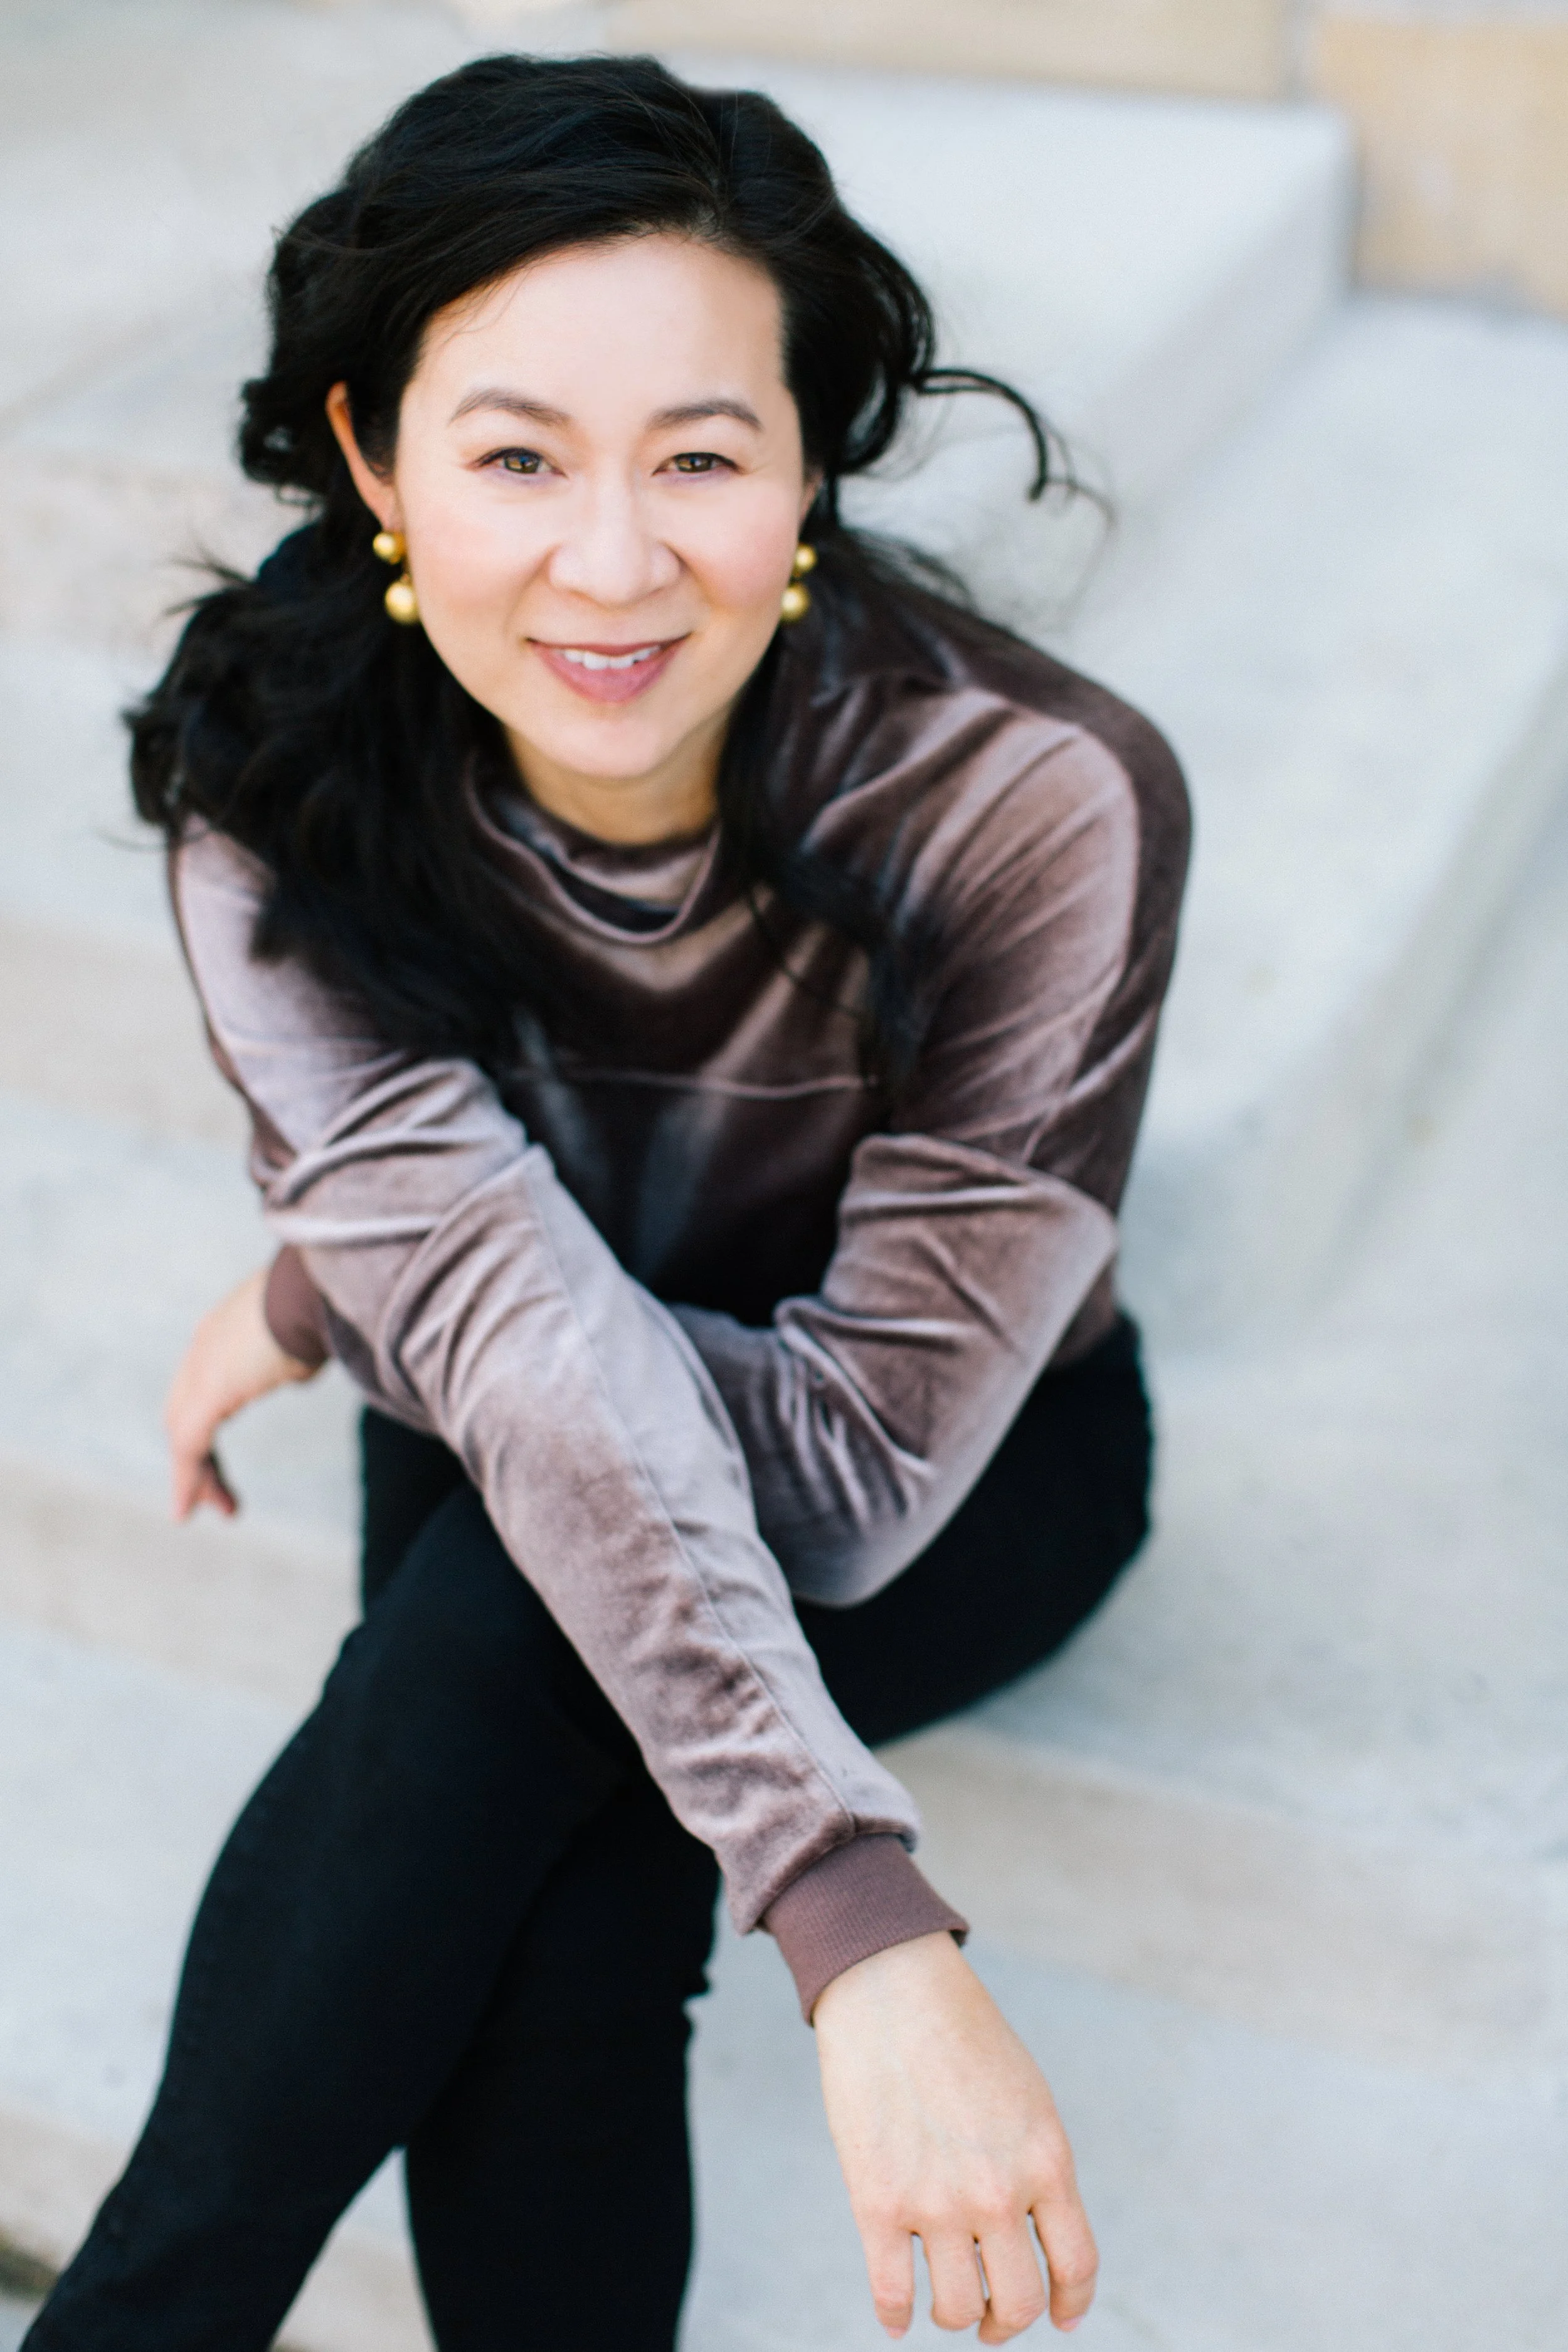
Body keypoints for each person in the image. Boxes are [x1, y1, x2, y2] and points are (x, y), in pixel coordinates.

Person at [25, 50, 1188, 2352]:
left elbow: (849, 1463)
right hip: (498, 1393)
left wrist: (345, 1298)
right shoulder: (278, 764)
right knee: (544, 1808)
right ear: (371, 455)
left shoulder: (1026, 797)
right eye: (517, 455)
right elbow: (509, 1334)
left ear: (811, 465)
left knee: (491, 1658)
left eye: (699, 456)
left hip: (954, 1461)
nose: (614, 560)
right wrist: (858, 1915)